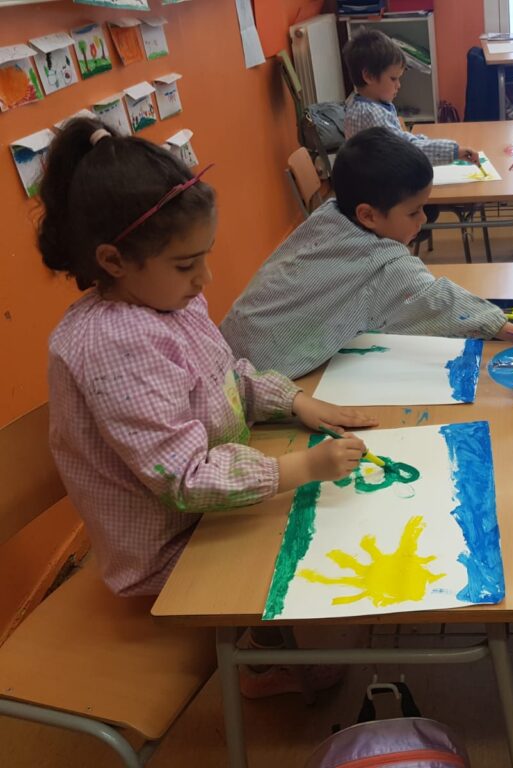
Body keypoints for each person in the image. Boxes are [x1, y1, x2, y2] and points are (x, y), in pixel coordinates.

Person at [42, 118, 375, 696]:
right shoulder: (112, 346)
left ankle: (272, 647)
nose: (205, 278)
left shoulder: (169, 300)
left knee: (333, 520)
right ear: (114, 261)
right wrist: (301, 467)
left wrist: (294, 401)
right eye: (185, 264)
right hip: (171, 545)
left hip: (210, 504)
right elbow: (186, 480)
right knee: (322, 538)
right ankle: (264, 660)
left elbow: (226, 376)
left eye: (205, 257)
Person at [221, 127, 513, 377]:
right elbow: (439, 300)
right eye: (413, 212)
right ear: (367, 215)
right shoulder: (384, 265)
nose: (423, 220)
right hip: (254, 376)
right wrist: (507, 329)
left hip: (228, 339)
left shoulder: (329, 214)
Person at [342, 28, 478, 166]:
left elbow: (403, 139)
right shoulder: (372, 114)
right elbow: (406, 151)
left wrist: (428, 142)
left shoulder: (356, 103)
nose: (398, 85)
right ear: (369, 76)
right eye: (393, 79)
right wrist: (453, 152)